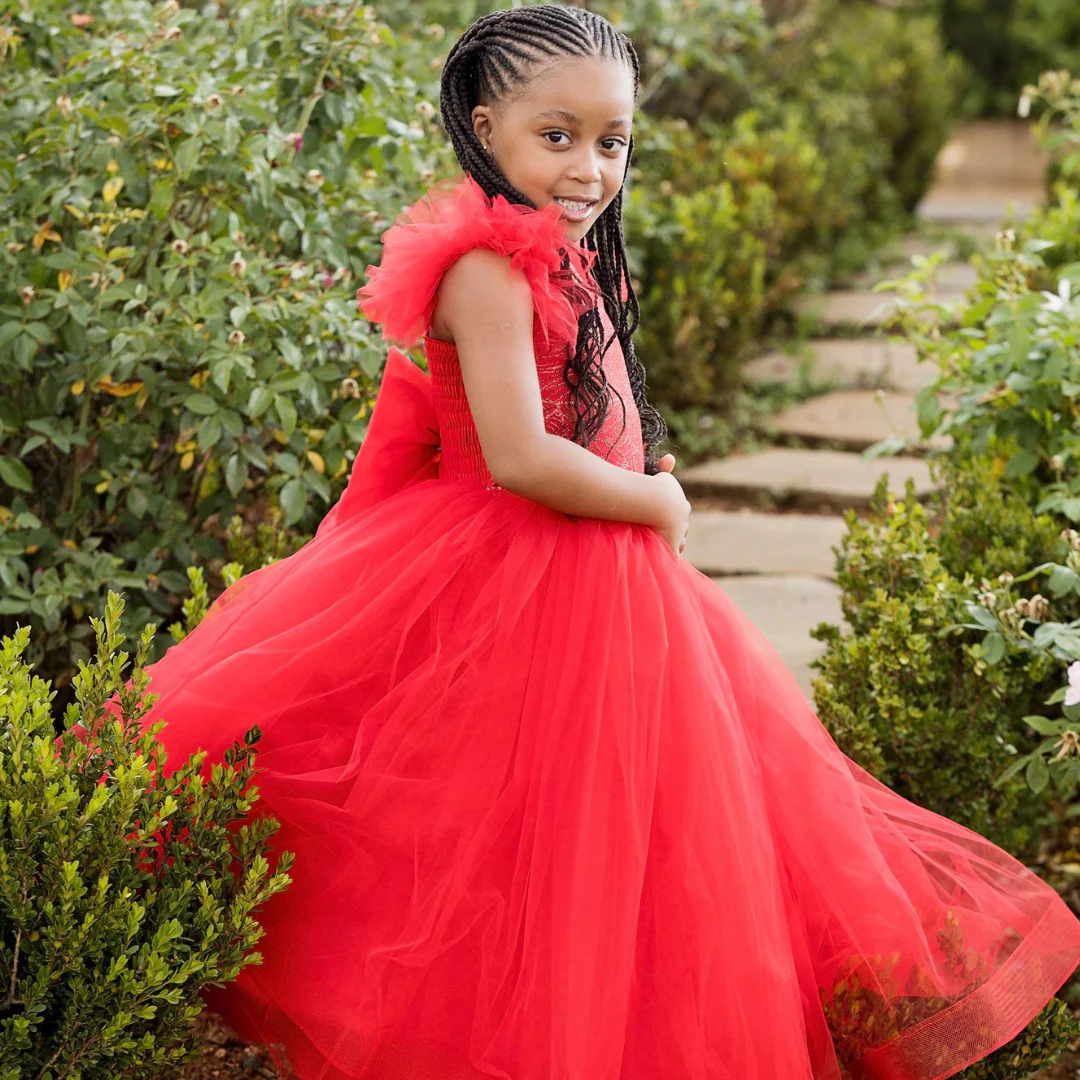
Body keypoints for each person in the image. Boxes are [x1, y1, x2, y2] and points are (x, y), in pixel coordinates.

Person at [134, 5, 1080, 1078]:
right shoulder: (485, 270)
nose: (588, 167)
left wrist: (634, 482)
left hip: (604, 582)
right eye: (557, 136)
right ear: (485, 130)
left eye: (612, 141)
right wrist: (655, 504)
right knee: (503, 832)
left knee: (631, 837)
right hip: (506, 572)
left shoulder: (573, 260)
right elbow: (518, 457)